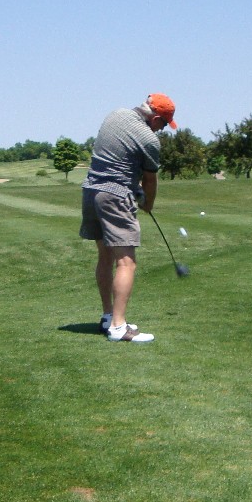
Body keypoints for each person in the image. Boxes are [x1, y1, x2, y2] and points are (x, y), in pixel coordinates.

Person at [79, 93, 176, 342]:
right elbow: (150, 179)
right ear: (154, 118)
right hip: (115, 196)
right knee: (126, 263)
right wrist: (148, 204)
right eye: (164, 124)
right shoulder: (149, 139)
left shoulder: (116, 114)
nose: (163, 129)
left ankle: (108, 317)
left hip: (91, 191)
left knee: (105, 257)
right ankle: (119, 327)